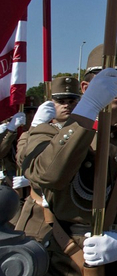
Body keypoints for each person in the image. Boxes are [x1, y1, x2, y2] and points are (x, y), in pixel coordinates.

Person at [21, 42, 117, 275]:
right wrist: (89, 108)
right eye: (112, 78)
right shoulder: (50, 134)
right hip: (69, 261)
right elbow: (48, 175)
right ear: (86, 87)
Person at [14, 76, 82, 241]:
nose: (66, 105)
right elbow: (24, 160)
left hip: (74, 219)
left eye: (72, 101)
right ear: (51, 104)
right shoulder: (31, 134)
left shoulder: (85, 135)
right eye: (60, 101)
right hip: (39, 217)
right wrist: (36, 128)